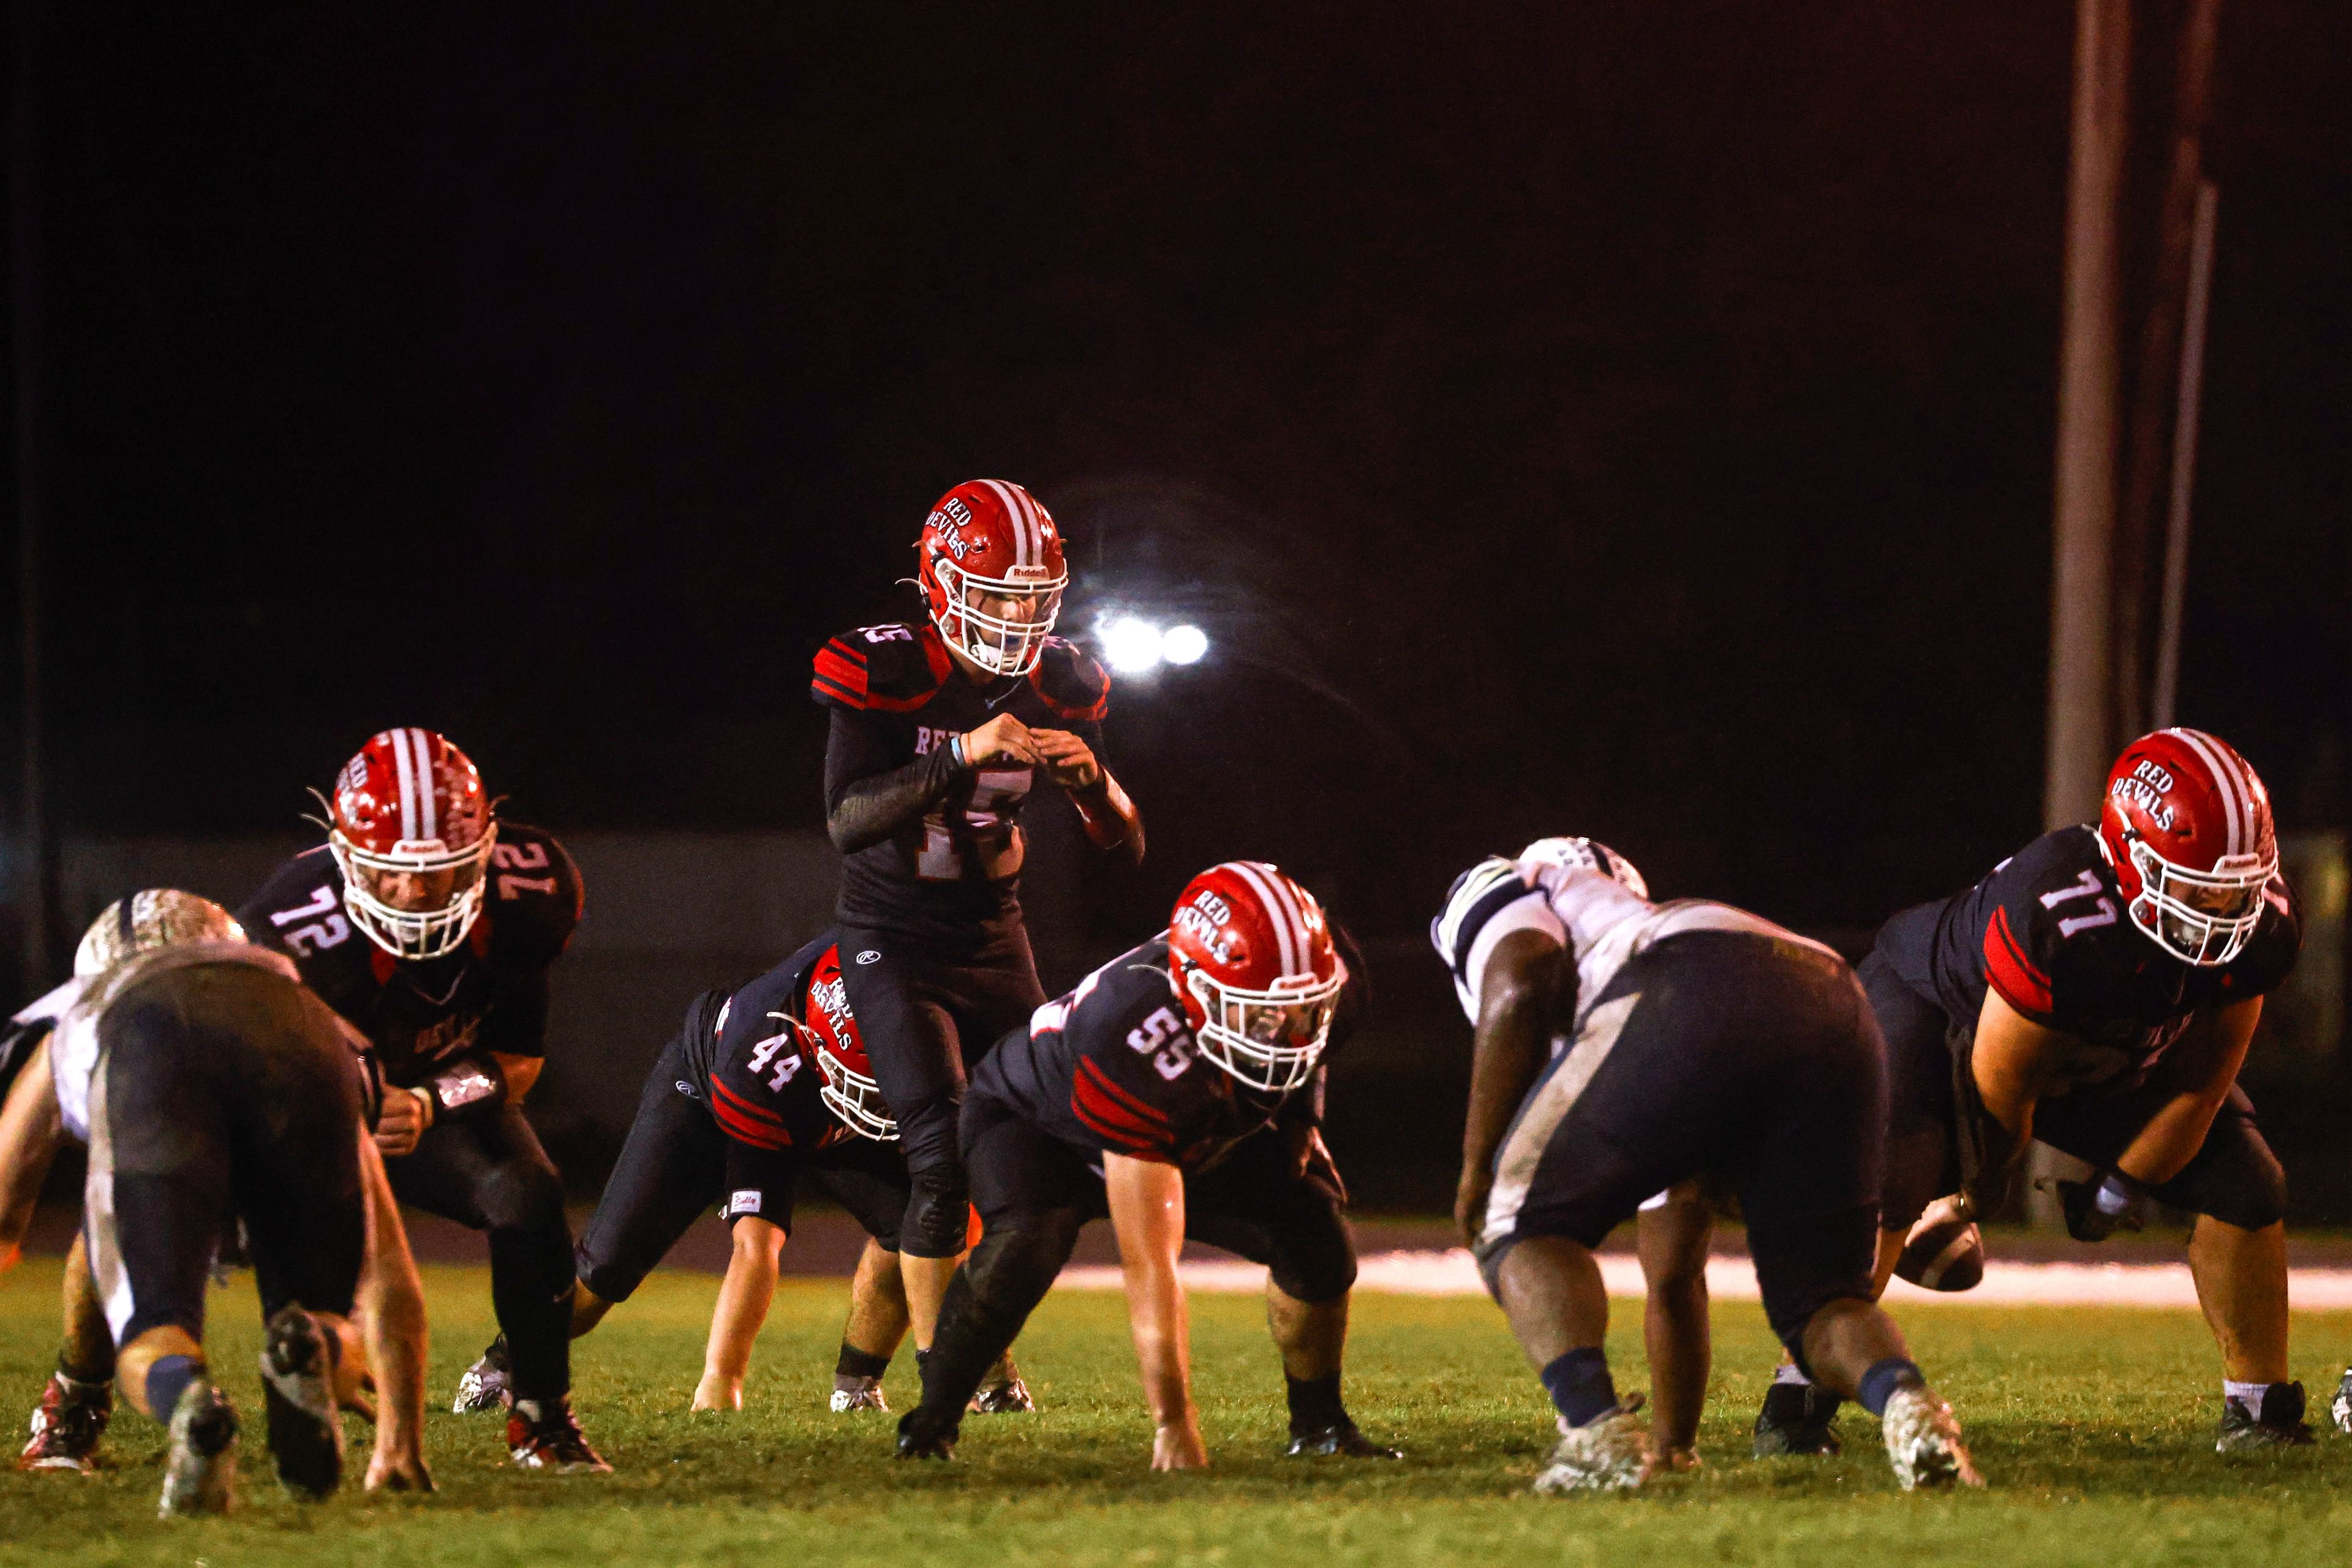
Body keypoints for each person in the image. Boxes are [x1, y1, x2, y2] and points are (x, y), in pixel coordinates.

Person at [1747, 728, 2310, 1455]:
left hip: (2107, 1046)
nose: (2223, 908)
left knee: (2248, 1181)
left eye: (2236, 885)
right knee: (1892, 1176)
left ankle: (2260, 1407)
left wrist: (2116, 1191)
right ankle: (1796, 1396)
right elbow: (2001, 1088)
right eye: (2199, 885)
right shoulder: (2058, 913)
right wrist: (1974, 1198)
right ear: (2127, 857)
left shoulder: (2263, 927)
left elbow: (2201, 1086)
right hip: (1943, 1014)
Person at [1433, 837, 1980, 1493]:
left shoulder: (1515, 884)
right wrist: (1674, 1449)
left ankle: (1592, 1429)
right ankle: (1908, 1403)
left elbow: (1518, 982)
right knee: (1823, 1302)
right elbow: (1673, 1276)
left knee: (1513, 1220)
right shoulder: (1633, 967)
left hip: (1687, 981)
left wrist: (1475, 1167)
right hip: (1831, 992)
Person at [895, 861, 1398, 1469]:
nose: (1285, 1033)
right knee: (1026, 1244)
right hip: (1035, 1122)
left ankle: (1321, 1426)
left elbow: (1312, 1051)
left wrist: (1302, 1122)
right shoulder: (1129, 1036)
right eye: (1260, 1015)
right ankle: (930, 1426)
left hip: (1192, 1112)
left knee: (1315, 1230)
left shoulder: (1331, 975)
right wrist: (1175, 1424)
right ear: (1194, 989)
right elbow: (1151, 1265)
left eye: (1302, 1011)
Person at [813, 479, 1144, 1388]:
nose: (1015, 614)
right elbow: (845, 819)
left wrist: (1092, 789)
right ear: (941, 582)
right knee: (938, 1156)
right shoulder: (886, 668)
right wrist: (958, 753)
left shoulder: (1064, 680)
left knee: (1035, 1149)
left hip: (996, 939)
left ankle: (870, 1372)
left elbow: (1126, 839)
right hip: (893, 938)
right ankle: (957, 1374)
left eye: (1031, 597)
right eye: (996, 593)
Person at [236, 727, 607, 1469]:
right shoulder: (286, 927)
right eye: (389, 873)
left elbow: (519, 1061)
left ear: (482, 852)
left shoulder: (528, 898)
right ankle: (287, 1408)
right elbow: (262, 1076)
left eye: (437, 872)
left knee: (528, 1190)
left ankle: (541, 1416)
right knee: (305, 1256)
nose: (412, 891)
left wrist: (432, 1100)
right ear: (345, 858)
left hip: (442, 1092)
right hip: (320, 1108)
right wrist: (349, 1106)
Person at [0, 892, 431, 1515]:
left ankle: (187, 1400)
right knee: (326, 1316)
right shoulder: (308, 1008)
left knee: (153, 1329)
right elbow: (387, 1261)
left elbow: (6, 1207)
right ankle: (320, 1346)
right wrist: (401, 1438)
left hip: (145, 1046)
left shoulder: (90, 1003)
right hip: (303, 1041)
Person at [489, 933, 918, 1412]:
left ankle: (859, 1389)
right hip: (717, 1089)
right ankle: (502, 1363)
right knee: (605, 1269)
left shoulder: (906, 973)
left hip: (820, 1102)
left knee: (920, 1222)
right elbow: (754, 1246)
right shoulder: (756, 1060)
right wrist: (722, 1382)